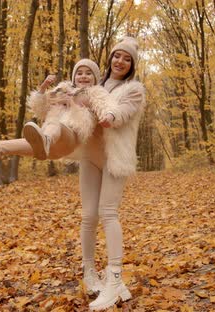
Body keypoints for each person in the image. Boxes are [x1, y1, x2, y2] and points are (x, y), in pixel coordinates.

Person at [0, 59, 108, 186]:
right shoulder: (62, 90)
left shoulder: (96, 94)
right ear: (74, 76)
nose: (83, 76)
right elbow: (39, 108)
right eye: (80, 73)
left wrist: (73, 104)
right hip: (47, 144)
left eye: (88, 73)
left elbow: (101, 114)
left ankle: (44, 139)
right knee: (1, 146)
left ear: (95, 78)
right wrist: (43, 88)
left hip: (69, 139)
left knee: (56, 125)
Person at [78, 37, 146, 311]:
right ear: (110, 59)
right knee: (88, 215)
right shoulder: (94, 86)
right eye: (117, 56)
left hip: (115, 158)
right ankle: (90, 273)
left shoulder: (134, 90)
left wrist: (111, 117)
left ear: (131, 66)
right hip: (90, 156)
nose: (120, 61)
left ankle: (115, 279)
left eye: (127, 59)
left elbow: (122, 112)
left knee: (108, 213)